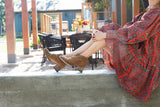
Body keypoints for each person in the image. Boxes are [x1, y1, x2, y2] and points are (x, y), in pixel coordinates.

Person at [44, 0, 160, 102]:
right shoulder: (143, 15)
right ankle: (71, 57)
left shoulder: (157, 14)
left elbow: (135, 33)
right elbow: (125, 30)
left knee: (108, 34)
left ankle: (70, 59)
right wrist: (103, 33)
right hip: (137, 59)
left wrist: (104, 34)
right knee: (110, 28)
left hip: (143, 67)